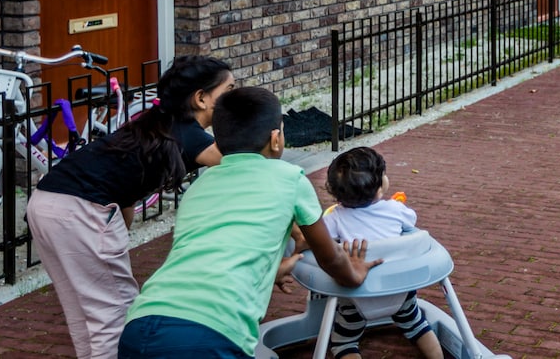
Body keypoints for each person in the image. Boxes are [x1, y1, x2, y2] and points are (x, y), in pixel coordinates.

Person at [118, 87, 380, 358]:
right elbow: (330, 258)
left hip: (141, 323)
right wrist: (354, 275)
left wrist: (269, 270)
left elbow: (208, 254)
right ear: (276, 139)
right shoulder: (290, 178)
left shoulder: (199, 186)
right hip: (211, 331)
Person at [26, 56, 235, 359]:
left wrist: (116, 236)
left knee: (84, 310)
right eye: (229, 90)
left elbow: (125, 186)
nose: (235, 98)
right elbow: (244, 165)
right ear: (201, 98)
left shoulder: (155, 122)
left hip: (46, 201)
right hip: (80, 209)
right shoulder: (190, 136)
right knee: (116, 311)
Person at [320, 147, 444, 359]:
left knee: (344, 342)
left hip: (357, 294)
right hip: (400, 289)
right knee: (417, 325)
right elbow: (411, 222)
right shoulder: (395, 210)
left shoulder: (334, 218)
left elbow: (322, 241)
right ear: (380, 188)